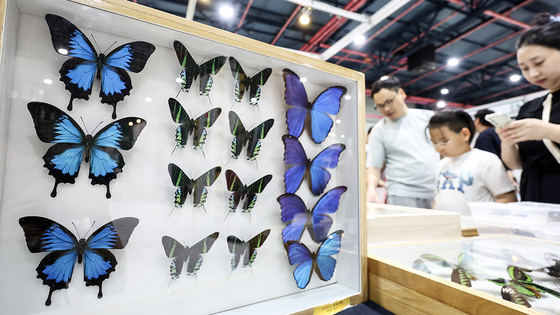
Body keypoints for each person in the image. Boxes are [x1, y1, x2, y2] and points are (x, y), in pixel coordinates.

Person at [497, 13, 560, 203]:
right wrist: (507, 141)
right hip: (534, 201)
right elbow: (517, 164)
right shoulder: (529, 108)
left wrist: (548, 131)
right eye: (524, 68)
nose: (533, 74)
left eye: (539, 63)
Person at [366, 76, 439, 208]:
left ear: (401, 93)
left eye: (389, 101)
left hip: (435, 190)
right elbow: (374, 167)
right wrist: (371, 189)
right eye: (380, 106)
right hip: (401, 194)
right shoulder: (378, 130)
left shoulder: (428, 118)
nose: (386, 109)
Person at [428, 110, 517, 215]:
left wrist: (479, 220)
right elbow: (438, 198)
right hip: (446, 228)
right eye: (434, 143)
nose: (438, 148)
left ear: (465, 134)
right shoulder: (441, 165)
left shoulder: (486, 160)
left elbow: (508, 198)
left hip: (476, 229)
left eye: (444, 141)